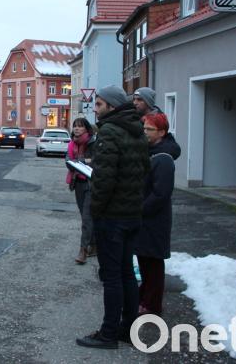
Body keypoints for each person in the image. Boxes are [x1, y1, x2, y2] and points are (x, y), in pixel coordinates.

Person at [76, 85, 150, 350]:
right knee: (127, 273)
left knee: (111, 277)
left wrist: (94, 212)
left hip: (112, 216)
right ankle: (128, 328)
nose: (95, 110)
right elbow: (142, 172)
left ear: (112, 106)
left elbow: (104, 181)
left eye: (99, 105)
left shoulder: (109, 132)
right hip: (132, 214)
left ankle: (108, 334)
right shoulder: (138, 131)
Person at [135, 113, 180, 316]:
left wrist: (140, 209)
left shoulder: (163, 158)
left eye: (149, 129)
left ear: (162, 132)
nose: (145, 132)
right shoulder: (151, 151)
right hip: (145, 217)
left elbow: (161, 193)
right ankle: (144, 297)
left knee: (153, 263)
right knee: (145, 261)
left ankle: (152, 305)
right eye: (144, 128)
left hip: (155, 220)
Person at [65, 117, 97, 265]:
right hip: (77, 182)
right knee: (85, 217)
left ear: (86, 129)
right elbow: (68, 160)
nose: (77, 129)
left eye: (80, 126)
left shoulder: (93, 142)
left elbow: (96, 160)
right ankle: (94, 245)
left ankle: (83, 250)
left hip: (91, 184)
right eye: (75, 126)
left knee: (86, 218)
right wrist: (80, 161)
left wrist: (82, 161)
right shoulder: (72, 143)